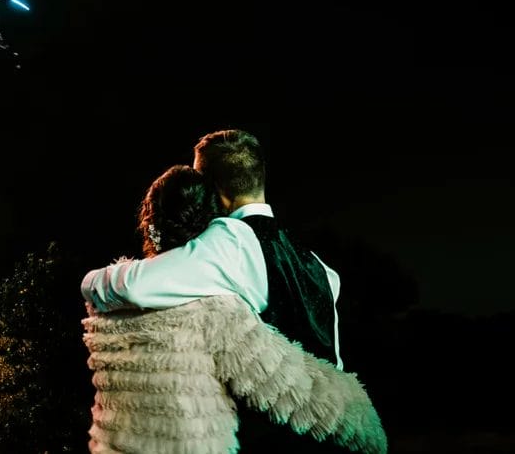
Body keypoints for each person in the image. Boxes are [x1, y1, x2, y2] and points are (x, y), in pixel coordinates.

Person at [82, 165, 386, 453]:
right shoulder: (215, 310)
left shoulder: (109, 306)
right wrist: (362, 422)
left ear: (151, 223)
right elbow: (286, 387)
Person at [81, 129, 341, 369]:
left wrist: (89, 281)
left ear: (211, 188)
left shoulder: (231, 240)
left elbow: (132, 288)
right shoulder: (321, 268)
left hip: (265, 417)